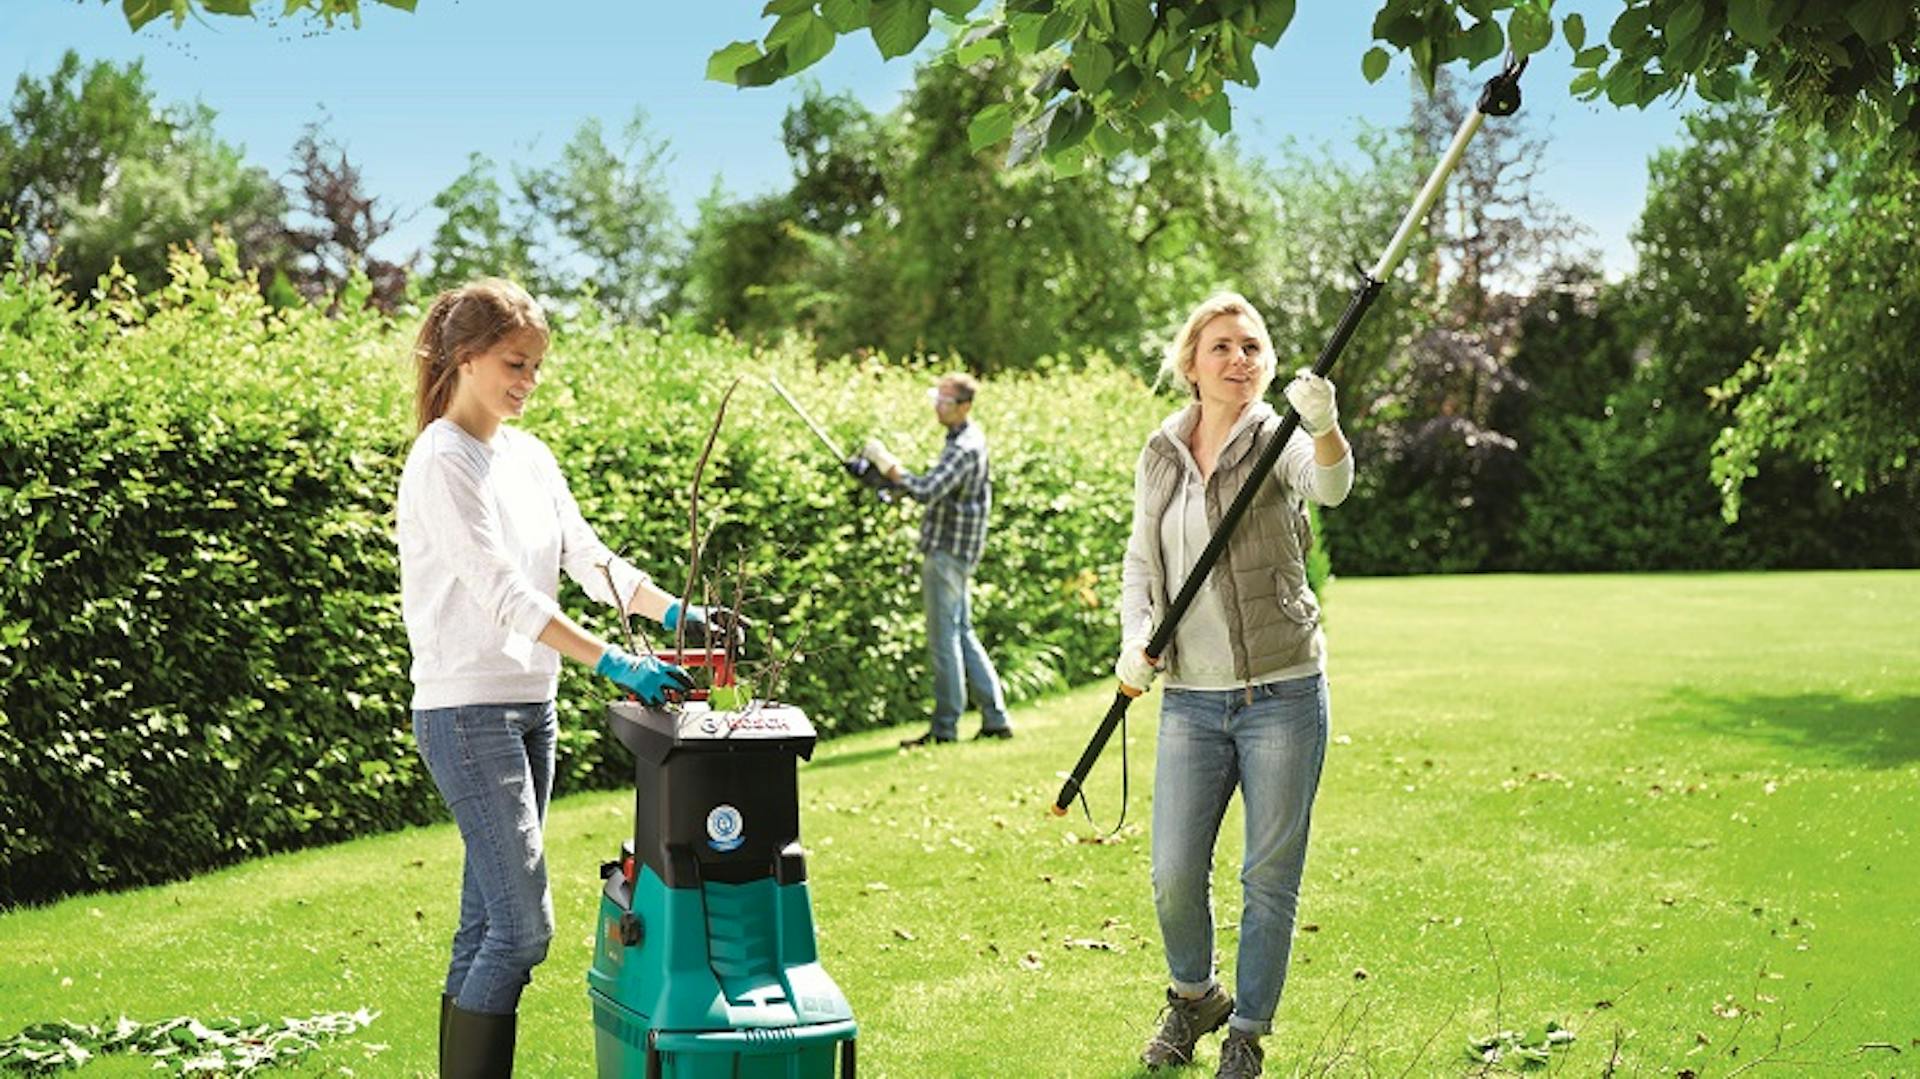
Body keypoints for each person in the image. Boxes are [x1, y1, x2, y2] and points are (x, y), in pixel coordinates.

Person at [395, 278, 739, 1078]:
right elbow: (507, 594)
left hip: (529, 709)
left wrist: (674, 613)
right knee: (522, 931)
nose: (528, 381)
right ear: (466, 356)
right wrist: (615, 661)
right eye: (516, 363)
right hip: (466, 713)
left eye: (538, 367)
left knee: (485, 924)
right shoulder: (442, 461)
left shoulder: (529, 456)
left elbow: (587, 560)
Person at [1119, 293, 1352, 1078]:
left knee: (1268, 875)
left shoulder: (1278, 436)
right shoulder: (1161, 451)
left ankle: (1246, 1031)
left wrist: (1322, 426)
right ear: (1191, 363)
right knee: (1174, 869)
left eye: (1252, 346)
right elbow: (1141, 565)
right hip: (1190, 697)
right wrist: (1133, 639)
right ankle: (1195, 996)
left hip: (1282, 691)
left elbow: (1329, 487)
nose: (1239, 360)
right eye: (1221, 347)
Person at [860, 372, 1015, 747]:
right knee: (961, 634)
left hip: (947, 553)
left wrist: (886, 467)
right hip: (956, 553)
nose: (937, 406)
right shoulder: (961, 441)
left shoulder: (965, 447)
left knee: (943, 639)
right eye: (937, 398)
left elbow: (927, 489)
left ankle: (945, 728)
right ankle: (995, 719)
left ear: (964, 406)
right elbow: (939, 492)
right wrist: (881, 483)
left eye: (945, 401)